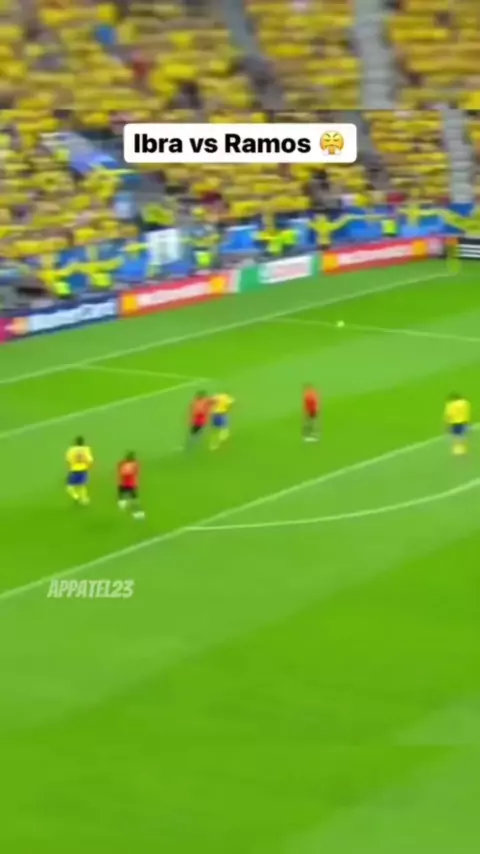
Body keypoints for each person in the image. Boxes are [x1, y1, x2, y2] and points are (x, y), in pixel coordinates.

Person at [66, 436, 93, 505]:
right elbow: (90, 460)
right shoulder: (86, 449)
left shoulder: (71, 449)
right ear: (83, 442)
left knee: (69, 487)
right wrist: (89, 467)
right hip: (84, 469)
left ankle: (76, 497)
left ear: (76, 442)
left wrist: (69, 466)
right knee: (82, 486)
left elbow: (68, 460)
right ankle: (85, 500)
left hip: (74, 470)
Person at [117, 452, 144, 518]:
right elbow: (135, 472)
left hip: (124, 483)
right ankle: (137, 513)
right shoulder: (135, 464)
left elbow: (122, 472)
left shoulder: (123, 464)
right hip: (130, 484)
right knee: (133, 499)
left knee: (123, 498)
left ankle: (123, 510)